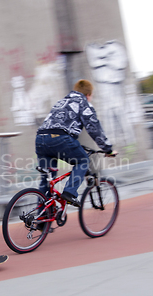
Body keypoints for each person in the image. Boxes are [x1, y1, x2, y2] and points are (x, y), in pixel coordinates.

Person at [36, 79, 115, 207]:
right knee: (83, 161)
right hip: (60, 139)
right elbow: (94, 128)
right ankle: (69, 192)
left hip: (41, 139)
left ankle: (41, 220)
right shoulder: (83, 103)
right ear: (88, 94)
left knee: (47, 181)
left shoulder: (61, 101)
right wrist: (108, 149)